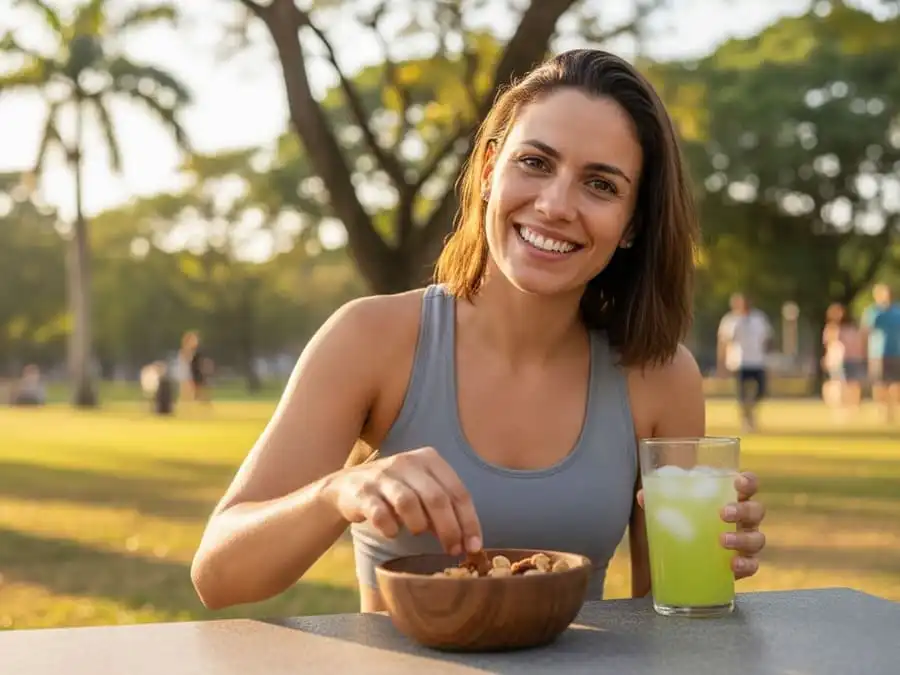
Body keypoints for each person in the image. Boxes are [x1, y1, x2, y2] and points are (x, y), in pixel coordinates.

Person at [190, 49, 767, 613]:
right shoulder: (369, 338)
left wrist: (710, 557)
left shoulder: (659, 376)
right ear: (490, 169)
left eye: (600, 185)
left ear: (632, 223)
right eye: (535, 163)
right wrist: (337, 492)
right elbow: (217, 575)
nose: (555, 205)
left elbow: (669, 618)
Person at [717, 293, 773, 432]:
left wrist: (768, 356)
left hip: (757, 360)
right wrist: (722, 363)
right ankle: (746, 419)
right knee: (741, 393)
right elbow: (724, 342)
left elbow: (767, 338)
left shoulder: (759, 318)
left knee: (761, 391)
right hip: (739, 361)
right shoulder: (730, 320)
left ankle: (751, 410)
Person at [860, 284, 900, 422]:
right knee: (879, 383)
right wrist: (864, 352)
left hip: (896, 353)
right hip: (877, 353)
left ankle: (893, 410)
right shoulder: (872, 312)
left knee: (895, 383)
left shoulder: (897, 312)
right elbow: (865, 332)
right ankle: (882, 410)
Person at [821, 302, 865, 417]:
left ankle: (854, 406)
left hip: (853, 358)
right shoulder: (831, 329)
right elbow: (829, 345)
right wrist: (827, 359)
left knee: (854, 383)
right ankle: (842, 406)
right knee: (841, 384)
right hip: (839, 360)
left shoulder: (851, 328)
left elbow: (858, 342)